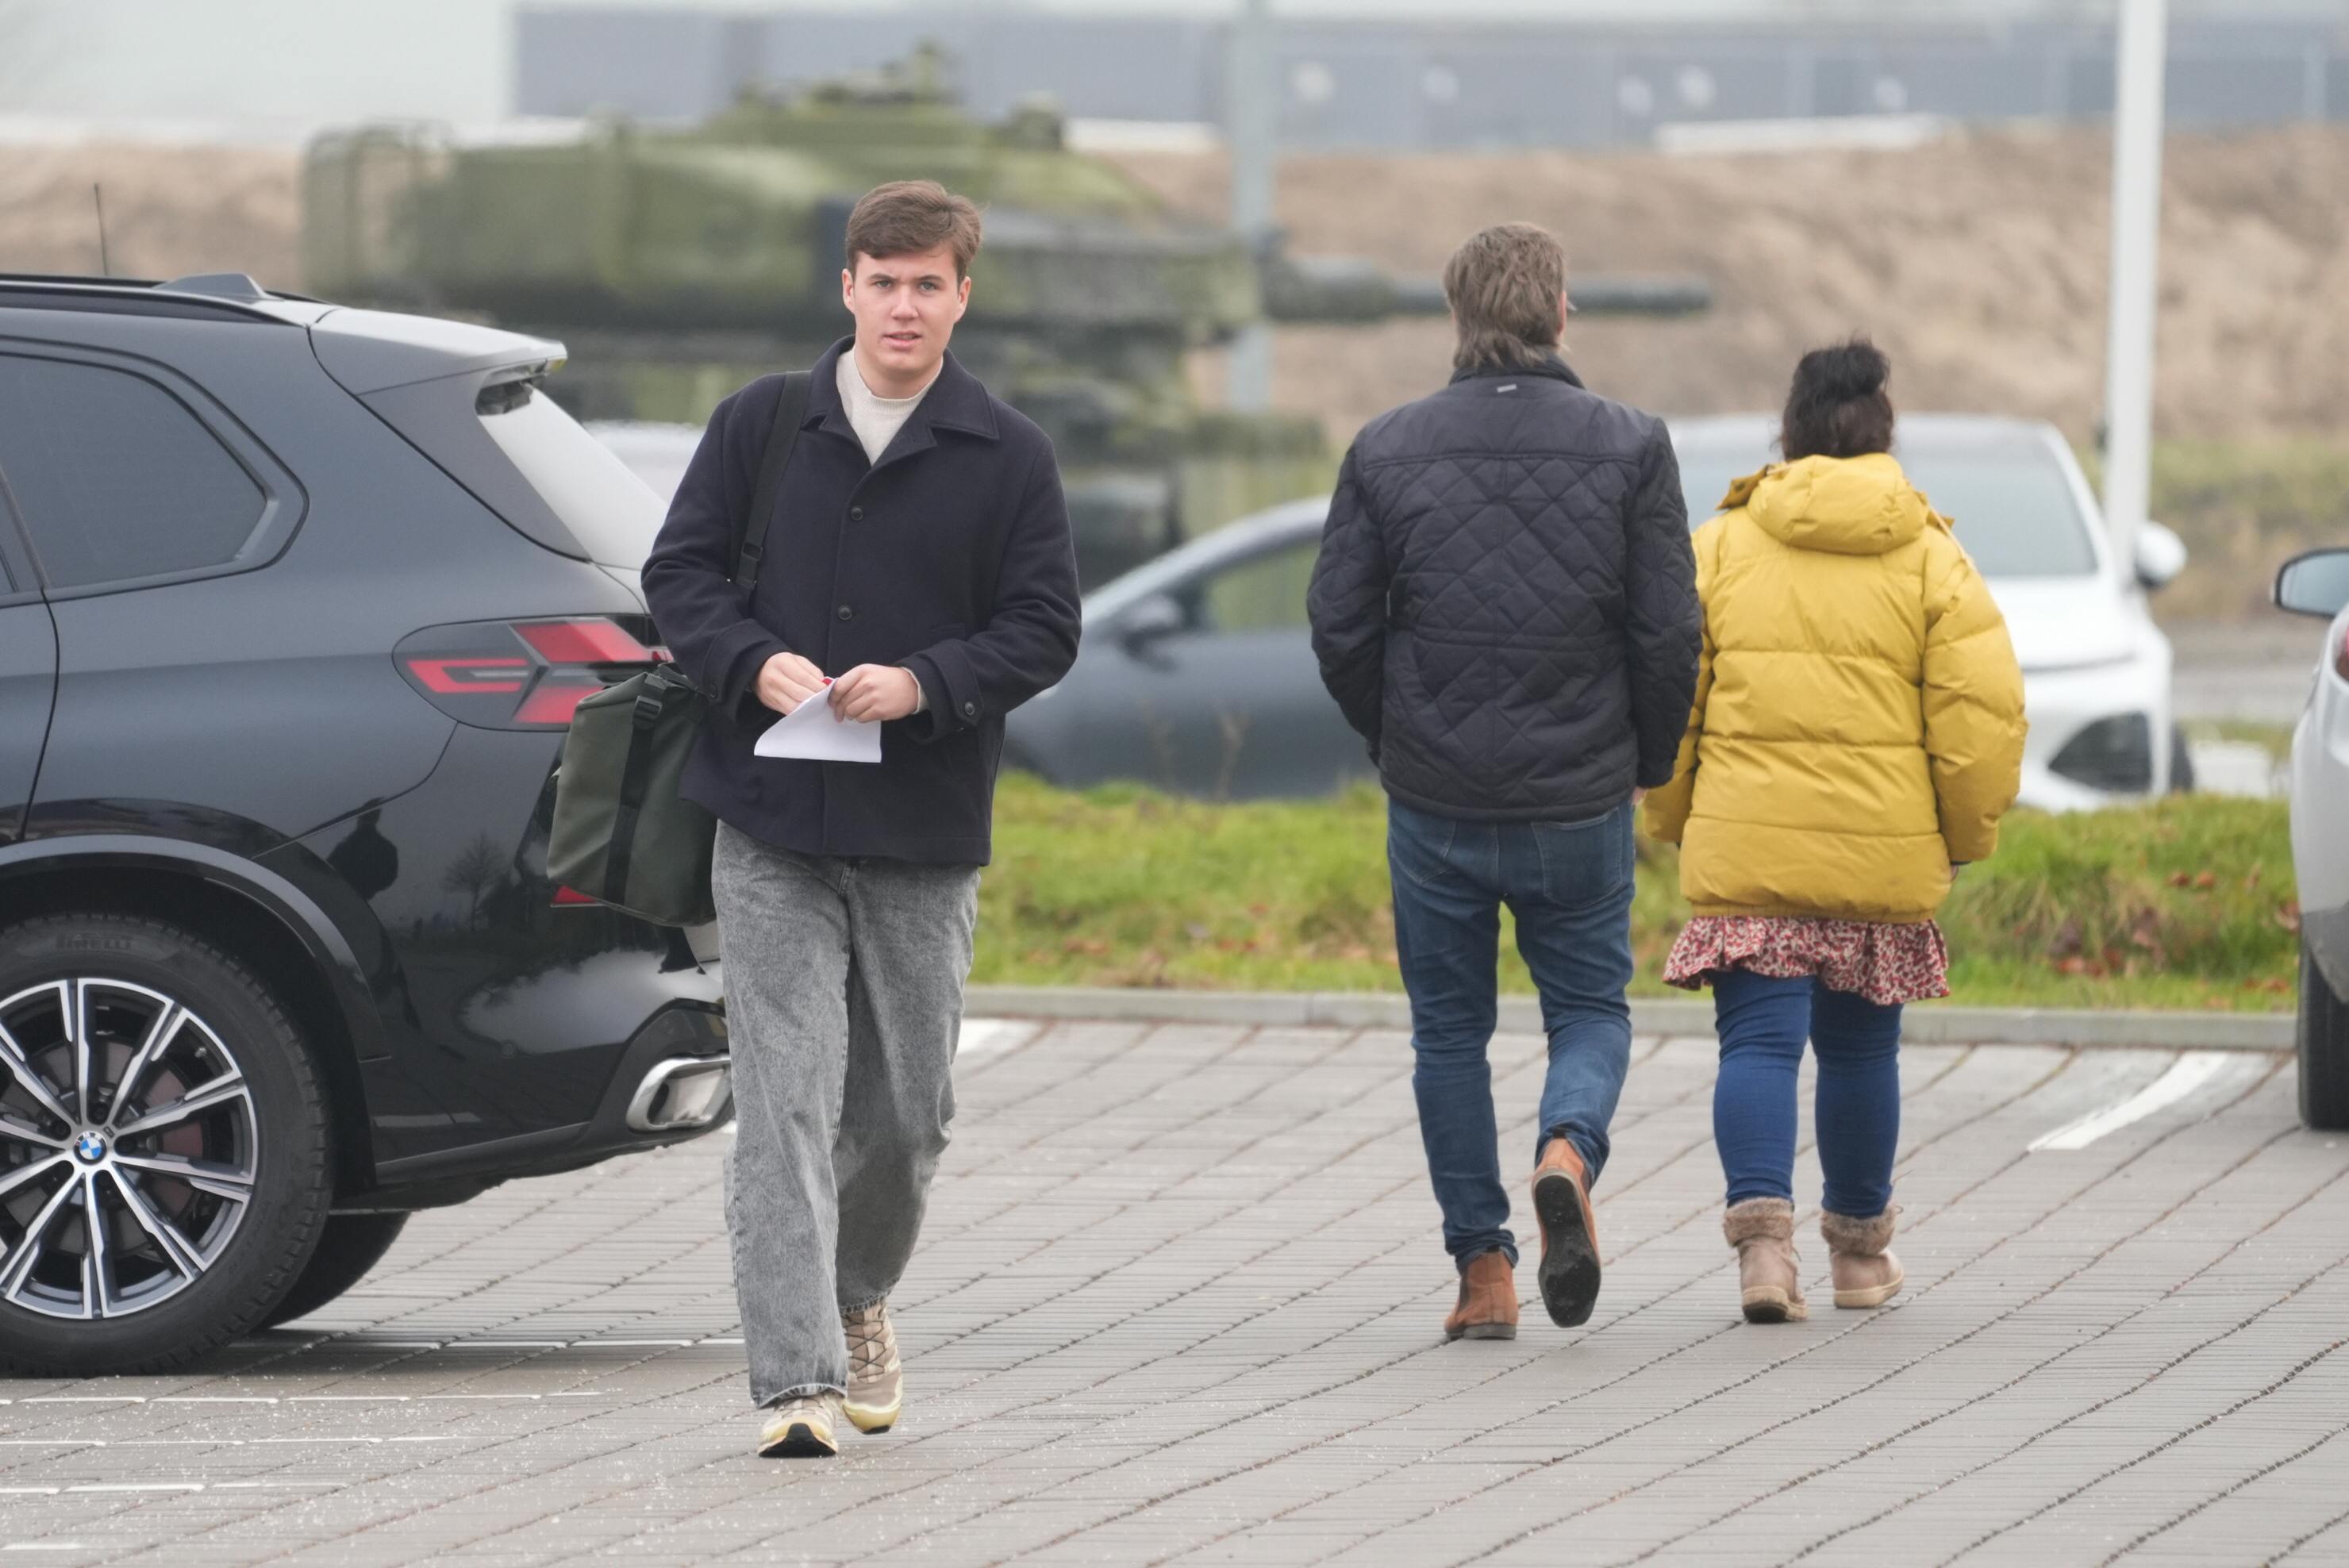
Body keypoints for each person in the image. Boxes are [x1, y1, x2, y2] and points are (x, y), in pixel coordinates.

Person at [641, 180, 1081, 1456]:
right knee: (781, 1098)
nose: (903, 304)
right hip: (769, 819)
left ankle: (859, 1293)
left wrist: (927, 683)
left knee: (905, 1117)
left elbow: (1044, 626)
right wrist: (749, 662)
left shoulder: (1011, 455)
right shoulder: (762, 423)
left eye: (927, 283)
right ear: (847, 287)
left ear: (960, 296)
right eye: (881, 281)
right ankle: (795, 1382)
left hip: (923, 831)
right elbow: (679, 573)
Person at [1308, 221, 1701, 1341]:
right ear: (1561, 313)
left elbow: (1339, 625)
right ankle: (1568, 1150)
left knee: (1447, 1033)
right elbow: (1671, 631)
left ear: (1458, 318)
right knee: (1588, 1009)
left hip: (1434, 800)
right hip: (1578, 796)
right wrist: (1645, 760)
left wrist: (1398, 739)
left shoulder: (1386, 447)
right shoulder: (1632, 446)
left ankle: (1483, 1276)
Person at [1643, 339, 2025, 1324]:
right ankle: (1858, 1261)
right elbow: (1978, 716)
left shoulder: (1720, 545)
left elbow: (1669, 698)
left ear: (1790, 432)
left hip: (1751, 847)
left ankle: (1763, 1256)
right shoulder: (1932, 554)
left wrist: (1670, 811)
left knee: (1758, 1048)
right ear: (1882, 433)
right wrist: (1961, 832)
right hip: (1877, 848)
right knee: (1860, 1056)